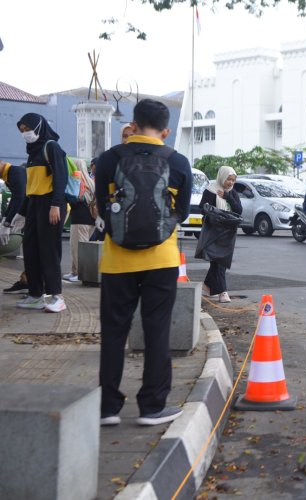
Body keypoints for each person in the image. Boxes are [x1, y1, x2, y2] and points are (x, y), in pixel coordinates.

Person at [96, 98, 192, 427]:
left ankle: (107, 407)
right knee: (156, 331)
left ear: (133, 126)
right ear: (165, 131)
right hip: (162, 258)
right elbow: (184, 213)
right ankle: (152, 406)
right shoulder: (177, 161)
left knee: (112, 333)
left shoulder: (109, 159)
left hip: (116, 260)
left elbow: (101, 207)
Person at [15, 113, 68, 313]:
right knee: (30, 249)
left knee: (49, 250)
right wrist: (21, 213)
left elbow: (60, 176)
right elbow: (32, 185)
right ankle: (36, 295)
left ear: (38, 126)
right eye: (22, 131)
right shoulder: (32, 152)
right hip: (35, 204)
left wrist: (55, 204)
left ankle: (57, 296)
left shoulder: (51, 147)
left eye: (27, 129)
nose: (25, 134)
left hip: (50, 203)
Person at [200, 166, 241, 303]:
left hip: (228, 231)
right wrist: (215, 215)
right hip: (214, 230)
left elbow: (239, 210)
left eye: (233, 180)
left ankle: (206, 287)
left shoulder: (232, 192)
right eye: (228, 179)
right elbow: (203, 208)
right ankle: (223, 292)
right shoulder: (211, 190)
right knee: (219, 261)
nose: (230, 183)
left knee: (218, 261)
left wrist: (228, 197)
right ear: (222, 177)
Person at [63, 159, 96, 282]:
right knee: (80, 246)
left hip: (79, 219)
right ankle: (74, 271)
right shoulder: (91, 182)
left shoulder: (77, 181)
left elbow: (75, 200)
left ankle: (79, 273)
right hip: (91, 219)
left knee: (77, 247)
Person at [1, 160, 28, 294]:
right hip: (30, 214)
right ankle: (26, 281)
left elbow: (20, 197)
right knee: (29, 249)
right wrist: (5, 219)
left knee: (37, 250)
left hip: (45, 213)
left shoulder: (15, 172)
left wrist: (7, 223)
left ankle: (42, 287)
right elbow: (14, 199)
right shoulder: (8, 177)